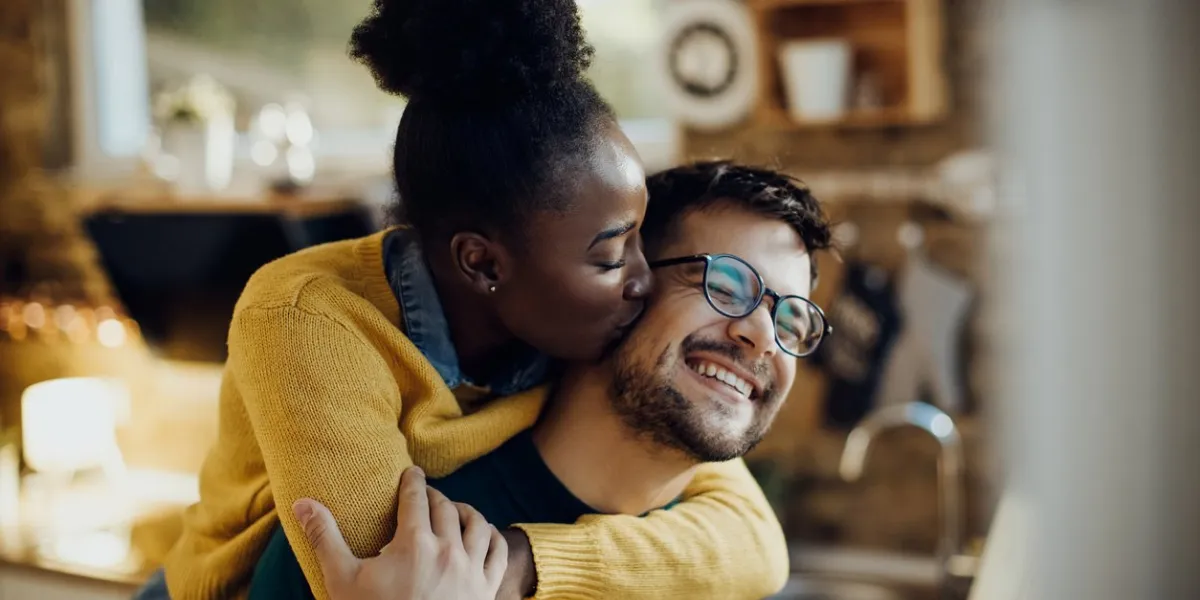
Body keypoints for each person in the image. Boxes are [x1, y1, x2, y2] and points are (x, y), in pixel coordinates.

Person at [148, 0, 793, 597]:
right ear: (482, 261)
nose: (645, 279)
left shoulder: (565, 318)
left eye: (640, 241)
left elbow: (755, 541)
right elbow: (395, 570)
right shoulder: (306, 320)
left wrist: (527, 563)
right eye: (610, 254)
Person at [249, 161, 834, 600]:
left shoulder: (708, 564)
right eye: (725, 286)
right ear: (619, 290)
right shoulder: (393, 542)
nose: (761, 336)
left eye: (792, 319)